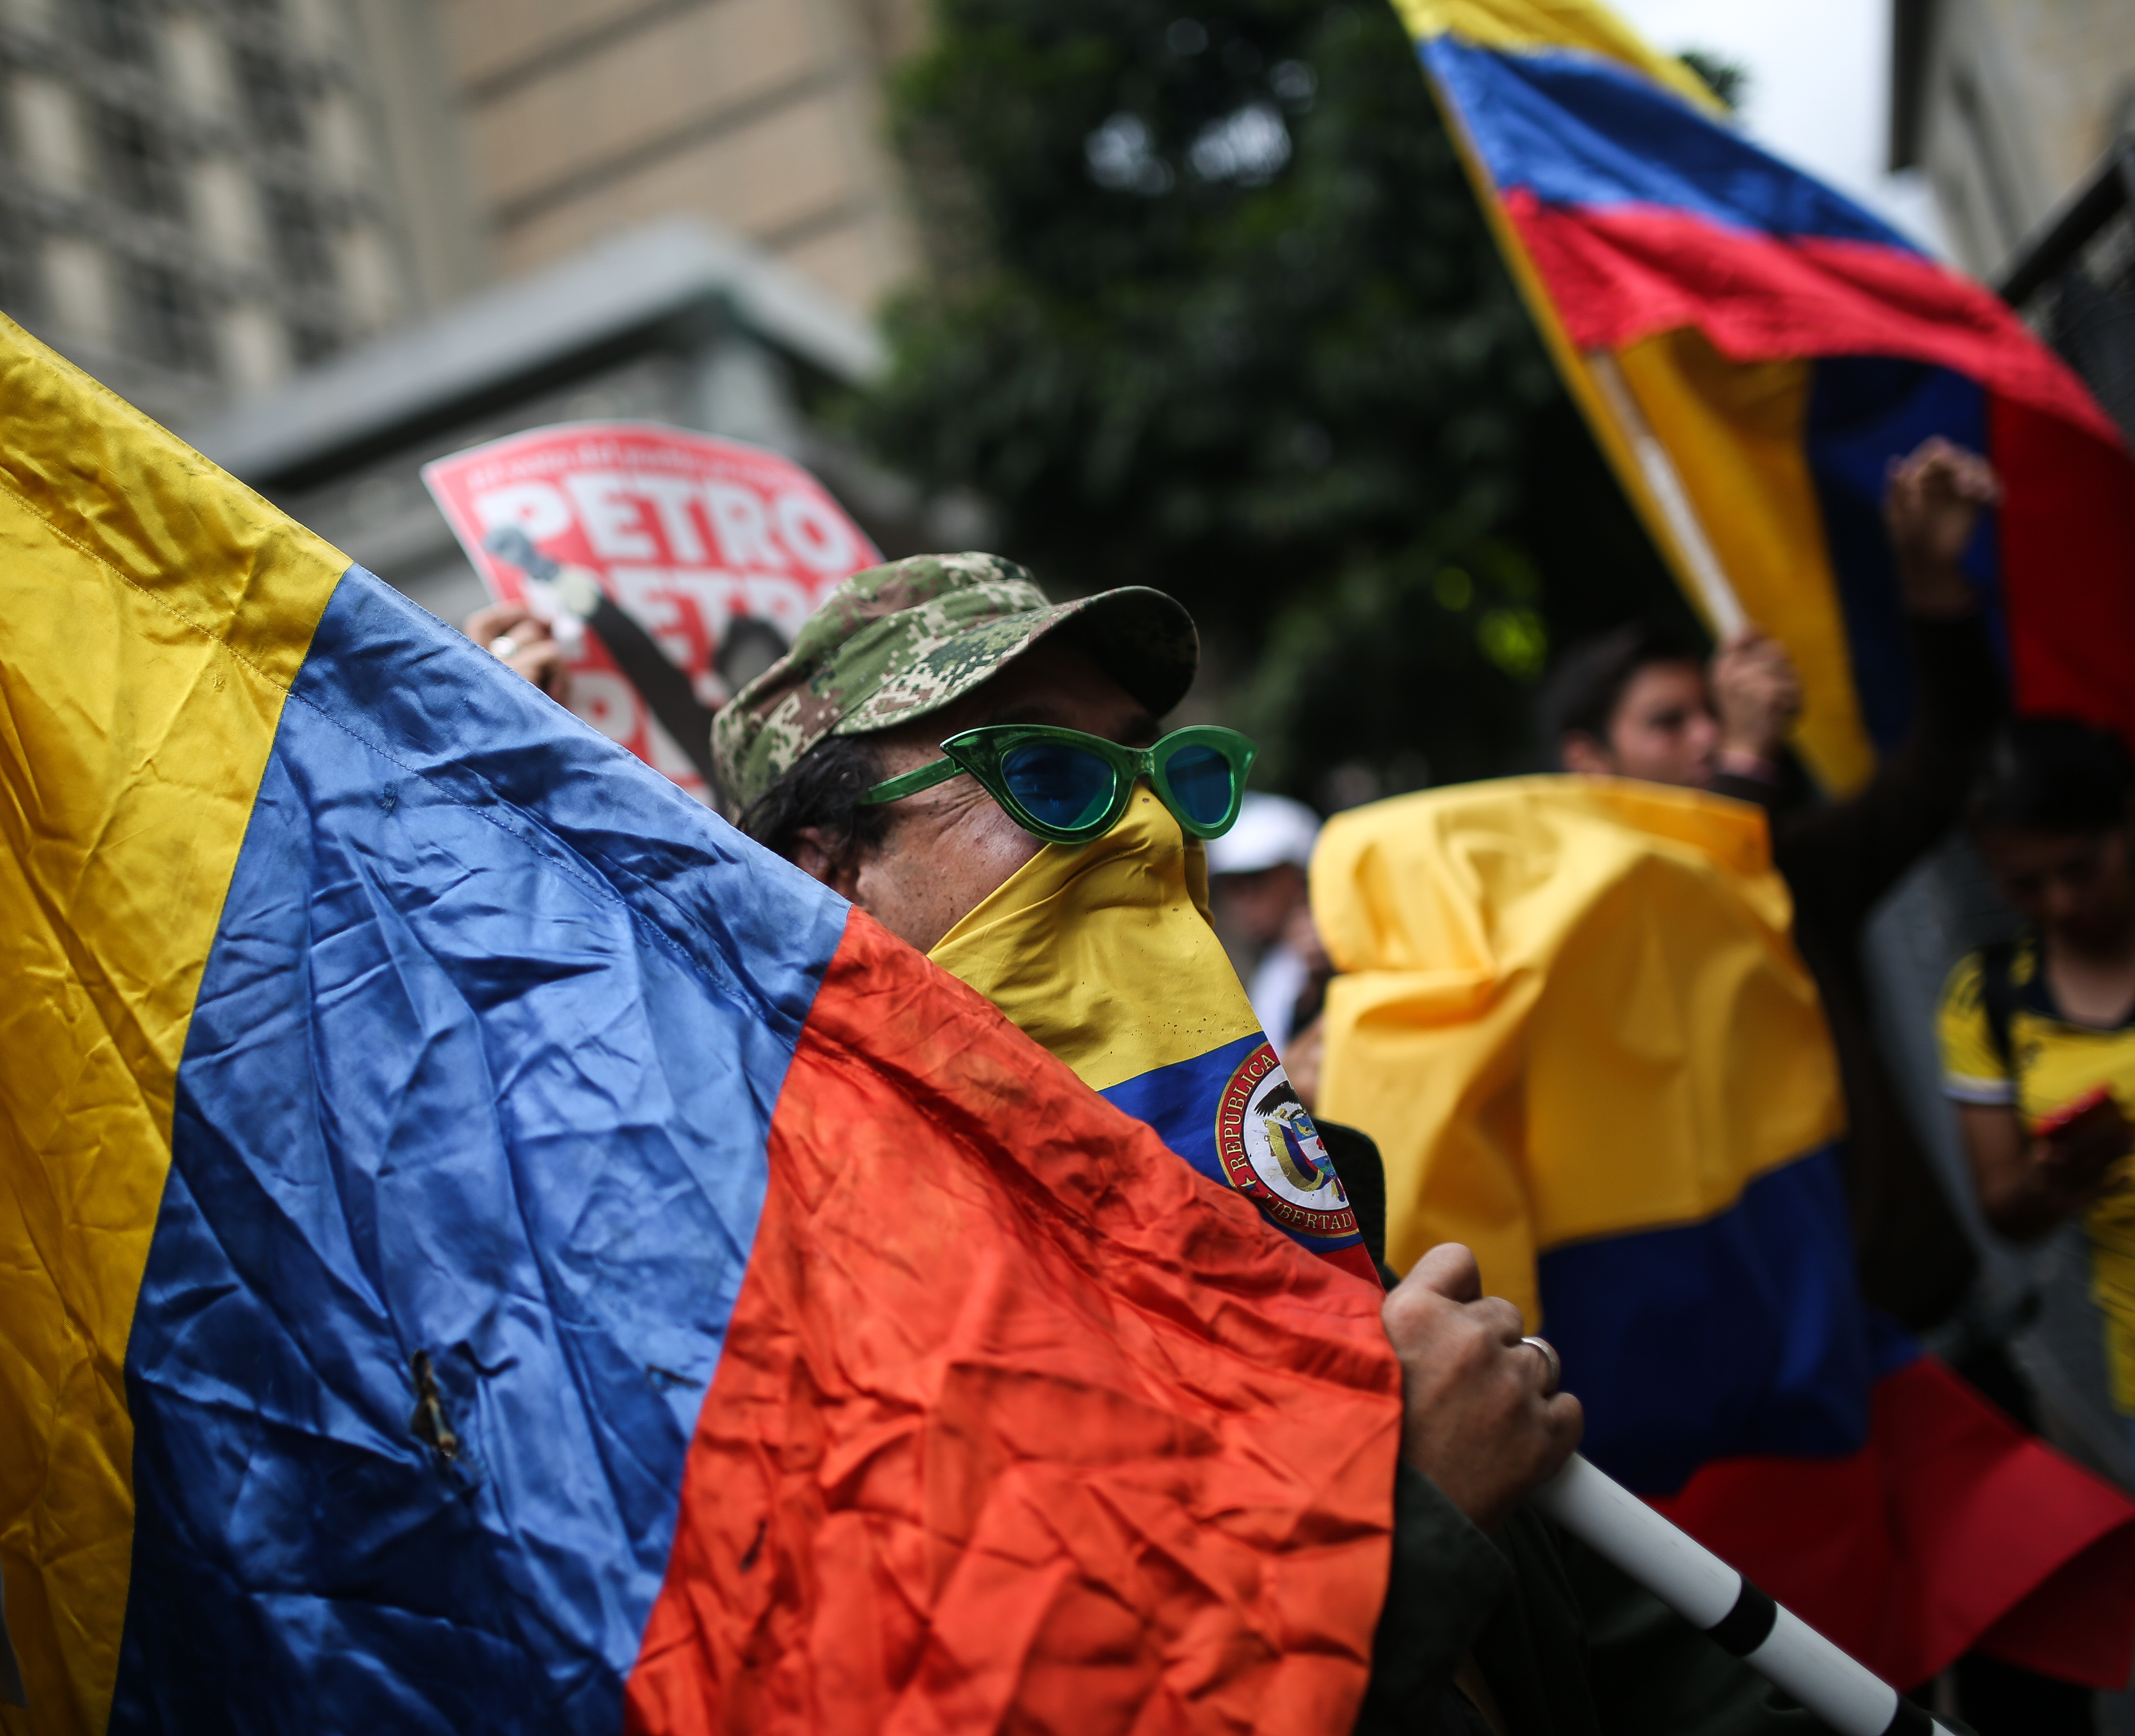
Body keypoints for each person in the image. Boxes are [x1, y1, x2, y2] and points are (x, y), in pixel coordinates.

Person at [712, 552, 1820, 1735]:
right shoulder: (820, 1368)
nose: (1143, 831)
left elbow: (1637, 1661)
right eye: (1041, 772)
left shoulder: (1282, 1221)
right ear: (825, 882)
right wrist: (1410, 1527)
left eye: (1165, 773)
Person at [1538, 437, 2005, 1335]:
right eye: (1668, 725)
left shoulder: (1784, 865)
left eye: (1713, 717)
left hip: (1920, 1318)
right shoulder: (1575, 927)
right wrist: (1751, 764)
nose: (1708, 740)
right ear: (1588, 764)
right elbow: (1694, 918)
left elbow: (1949, 760)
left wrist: (1929, 579)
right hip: (1774, 1365)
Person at [1939, 719, 2135, 1458]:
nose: (2061, 903)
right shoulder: (1987, 1000)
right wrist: (2050, 1181)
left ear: (2127, 817)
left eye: (2082, 868)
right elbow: (2004, 1208)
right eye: (2025, 884)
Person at [1208, 793, 1328, 1051]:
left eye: (1255, 878)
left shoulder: (1344, 954)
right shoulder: (1268, 973)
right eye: (1231, 885)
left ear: (1300, 875)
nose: (1243, 897)